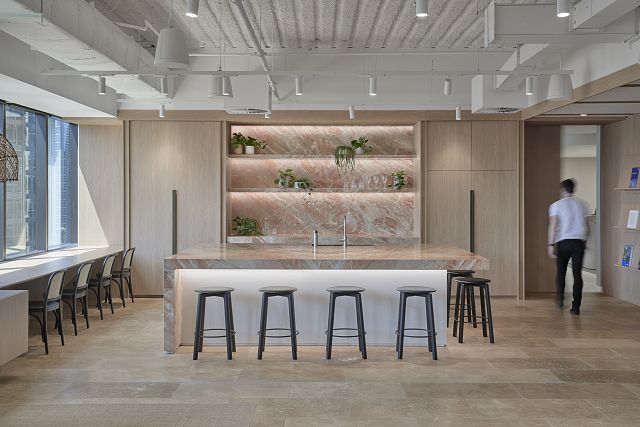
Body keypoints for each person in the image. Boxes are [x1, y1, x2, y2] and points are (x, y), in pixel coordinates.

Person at [548, 179, 590, 315]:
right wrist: (585, 241)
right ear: (573, 189)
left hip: (563, 242)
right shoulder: (583, 205)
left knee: (561, 272)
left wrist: (550, 244)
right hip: (578, 242)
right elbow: (587, 226)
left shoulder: (556, 205)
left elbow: (553, 227)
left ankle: (560, 300)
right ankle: (576, 307)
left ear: (562, 190)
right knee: (577, 275)